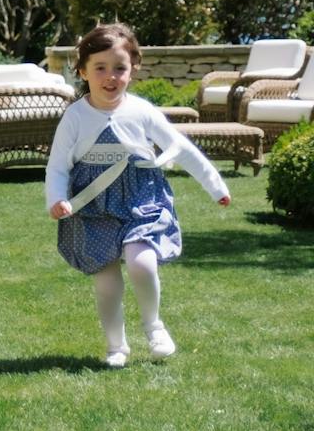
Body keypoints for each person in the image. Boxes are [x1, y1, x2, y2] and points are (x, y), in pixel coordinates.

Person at [46, 22, 231, 367]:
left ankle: (154, 326)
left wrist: (215, 186)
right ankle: (116, 346)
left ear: (133, 69)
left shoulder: (142, 110)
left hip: (140, 199)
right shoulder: (74, 117)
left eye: (120, 68)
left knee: (142, 262)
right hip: (93, 206)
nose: (110, 76)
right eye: (100, 68)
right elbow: (57, 165)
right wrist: (55, 198)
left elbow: (181, 148)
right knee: (106, 281)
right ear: (83, 71)